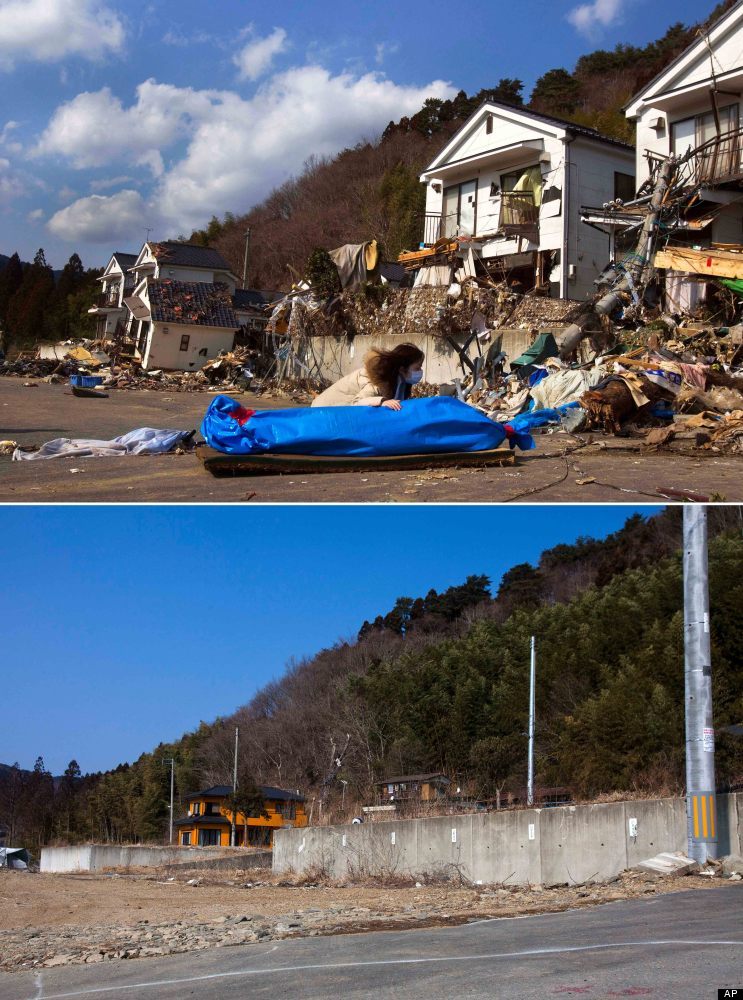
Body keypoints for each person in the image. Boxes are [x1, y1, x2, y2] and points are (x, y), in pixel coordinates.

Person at [311, 343, 424, 409]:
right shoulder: (378, 380)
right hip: (322, 410)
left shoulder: (400, 381)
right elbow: (357, 402)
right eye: (417, 368)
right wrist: (382, 401)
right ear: (402, 369)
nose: (420, 372)